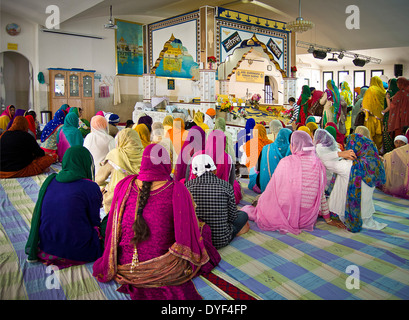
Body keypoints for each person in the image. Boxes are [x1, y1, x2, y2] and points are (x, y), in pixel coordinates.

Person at [93, 144, 220, 300]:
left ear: (143, 162)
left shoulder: (124, 185)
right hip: (162, 269)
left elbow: (114, 230)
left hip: (123, 265)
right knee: (202, 230)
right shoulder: (177, 190)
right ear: (166, 163)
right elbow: (186, 237)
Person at [241, 131, 343, 234]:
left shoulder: (287, 162)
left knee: (264, 200)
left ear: (295, 145)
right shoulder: (318, 164)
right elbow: (321, 195)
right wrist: (327, 219)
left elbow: (273, 191)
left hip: (286, 215)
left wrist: (264, 201)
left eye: (292, 143)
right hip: (306, 219)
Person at [25, 146, 103, 267]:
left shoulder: (50, 180)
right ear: (86, 163)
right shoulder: (90, 187)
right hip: (79, 250)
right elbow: (94, 220)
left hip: (47, 246)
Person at [315, 130, 387, 232]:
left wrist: (340, 153)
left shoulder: (347, 166)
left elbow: (321, 159)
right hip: (366, 215)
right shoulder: (374, 164)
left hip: (344, 213)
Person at [185, 154, 249, 249]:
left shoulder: (187, 187)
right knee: (243, 215)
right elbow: (232, 217)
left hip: (198, 239)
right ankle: (234, 231)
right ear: (215, 170)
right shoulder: (226, 185)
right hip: (221, 240)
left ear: (194, 173)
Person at [96, 128, 144, 216]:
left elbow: (99, 179)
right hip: (139, 199)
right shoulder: (145, 155)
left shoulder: (116, 155)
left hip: (116, 199)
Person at [258, 128, 292, 193]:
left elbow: (258, 168)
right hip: (284, 190)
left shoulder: (266, 148)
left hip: (265, 186)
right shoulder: (291, 150)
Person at [361, 76, 386, 151]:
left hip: (371, 118)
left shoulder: (371, 90)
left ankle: (371, 152)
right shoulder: (383, 91)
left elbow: (366, 104)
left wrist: (366, 114)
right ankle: (378, 151)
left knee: (370, 136)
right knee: (379, 136)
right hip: (381, 118)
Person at [380, 79, 399, 154]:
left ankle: (389, 154)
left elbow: (390, 107)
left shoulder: (389, 93)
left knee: (387, 136)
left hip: (389, 117)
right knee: (394, 135)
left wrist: (382, 112)